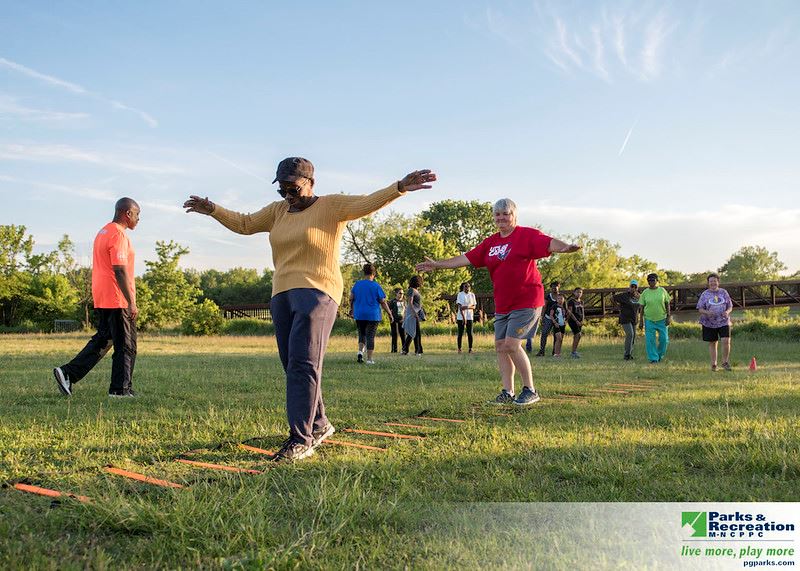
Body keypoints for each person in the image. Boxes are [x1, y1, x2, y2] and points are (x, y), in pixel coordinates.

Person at [184, 158, 436, 462]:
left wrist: (399, 188)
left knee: (304, 362)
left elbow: (368, 202)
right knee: (292, 364)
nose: (288, 195)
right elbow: (246, 223)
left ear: (310, 182)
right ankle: (319, 424)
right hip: (282, 293)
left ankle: (301, 438)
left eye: (293, 187)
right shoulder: (277, 212)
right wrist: (213, 209)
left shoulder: (331, 206)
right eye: (282, 189)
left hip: (318, 290)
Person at [416, 198, 579, 406]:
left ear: (514, 216)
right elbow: (465, 258)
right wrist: (438, 265)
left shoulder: (526, 235)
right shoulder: (491, 243)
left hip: (527, 300)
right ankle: (507, 392)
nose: (501, 218)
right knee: (501, 346)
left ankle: (530, 390)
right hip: (504, 303)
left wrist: (565, 247)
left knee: (512, 344)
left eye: (506, 214)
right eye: (498, 214)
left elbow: (548, 243)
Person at [53, 198, 140, 398]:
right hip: (118, 298)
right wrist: (131, 301)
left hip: (103, 296)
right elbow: (119, 270)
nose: (138, 219)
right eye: (137, 214)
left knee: (103, 341)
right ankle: (121, 390)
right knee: (126, 345)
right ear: (127, 213)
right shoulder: (118, 235)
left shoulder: (103, 232)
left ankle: (67, 373)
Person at [350, 263, 392, 364]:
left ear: (364, 273)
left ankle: (360, 352)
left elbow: (351, 298)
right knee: (370, 336)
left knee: (362, 333)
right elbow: (382, 301)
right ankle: (369, 359)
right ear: (374, 274)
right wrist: (390, 313)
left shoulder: (357, 284)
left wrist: (352, 309)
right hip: (373, 315)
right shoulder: (376, 286)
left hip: (359, 313)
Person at [696, 273, 733, 371]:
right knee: (713, 342)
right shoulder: (705, 294)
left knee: (726, 341)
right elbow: (699, 308)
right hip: (709, 323)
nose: (713, 283)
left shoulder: (724, 292)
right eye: (711, 281)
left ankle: (725, 362)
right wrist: (707, 312)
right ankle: (714, 364)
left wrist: (727, 312)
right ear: (708, 283)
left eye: (715, 281)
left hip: (724, 321)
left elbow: (730, 306)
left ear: (718, 282)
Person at [638, 272, 671, 364]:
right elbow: (642, 307)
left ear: (657, 281)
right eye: (649, 280)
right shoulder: (645, 292)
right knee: (650, 340)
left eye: (653, 280)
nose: (651, 282)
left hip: (662, 319)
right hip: (649, 320)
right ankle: (653, 358)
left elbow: (667, 303)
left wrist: (668, 316)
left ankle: (660, 355)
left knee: (664, 339)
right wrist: (641, 321)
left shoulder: (662, 291)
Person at [613, 280, 640, 360]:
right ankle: (626, 355)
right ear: (629, 287)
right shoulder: (624, 295)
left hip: (634, 318)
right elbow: (612, 298)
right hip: (625, 318)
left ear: (637, 288)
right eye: (632, 286)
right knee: (630, 334)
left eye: (635, 287)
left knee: (633, 336)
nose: (633, 288)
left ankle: (630, 354)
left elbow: (641, 306)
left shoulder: (639, 296)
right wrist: (617, 307)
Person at [532, 281, 560, 355]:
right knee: (544, 333)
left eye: (556, 287)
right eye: (553, 287)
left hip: (557, 319)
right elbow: (544, 307)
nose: (554, 289)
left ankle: (555, 352)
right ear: (551, 288)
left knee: (556, 335)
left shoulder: (561, 297)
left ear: (558, 287)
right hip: (548, 317)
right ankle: (542, 351)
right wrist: (542, 316)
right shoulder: (548, 296)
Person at [402, 275, 424, 356]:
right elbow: (410, 303)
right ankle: (417, 351)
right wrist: (415, 313)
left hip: (416, 313)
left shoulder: (416, 291)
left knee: (412, 332)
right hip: (412, 313)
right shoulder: (411, 290)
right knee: (415, 332)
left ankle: (405, 350)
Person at [456, 281, 477, 354]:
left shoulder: (472, 295)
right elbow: (460, 308)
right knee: (460, 333)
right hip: (461, 317)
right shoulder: (460, 294)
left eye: (468, 286)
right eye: (465, 286)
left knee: (470, 333)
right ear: (463, 287)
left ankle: (470, 348)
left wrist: (467, 307)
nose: (467, 288)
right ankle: (459, 348)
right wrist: (464, 318)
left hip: (470, 316)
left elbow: (474, 306)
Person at [566, 287, 585, 358]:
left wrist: (582, 320)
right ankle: (573, 352)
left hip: (580, 321)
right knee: (578, 334)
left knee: (578, 336)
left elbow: (583, 312)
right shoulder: (571, 301)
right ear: (574, 293)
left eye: (580, 292)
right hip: (573, 320)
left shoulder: (581, 302)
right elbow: (570, 312)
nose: (579, 294)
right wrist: (576, 321)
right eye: (577, 292)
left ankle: (574, 351)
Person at [550, 293, 568, 357]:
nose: (560, 300)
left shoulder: (565, 307)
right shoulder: (554, 306)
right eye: (558, 298)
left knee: (561, 340)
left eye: (561, 298)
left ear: (564, 299)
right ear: (556, 299)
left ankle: (559, 353)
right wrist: (555, 322)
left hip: (563, 325)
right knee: (558, 338)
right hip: (556, 325)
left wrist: (566, 321)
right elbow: (551, 315)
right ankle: (555, 353)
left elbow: (566, 316)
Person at [388, 288, 405, 353]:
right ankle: (394, 350)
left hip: (402, 320)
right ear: (396, 294)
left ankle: (404, 349)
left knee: (403, 335)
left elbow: (405, 310)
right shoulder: (392, 302)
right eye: (400, 293)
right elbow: (389, 311)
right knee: (394, 335)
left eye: (403, 293)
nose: (402, 295)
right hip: (394, 320)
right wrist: (391, 318)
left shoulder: (404, 301)